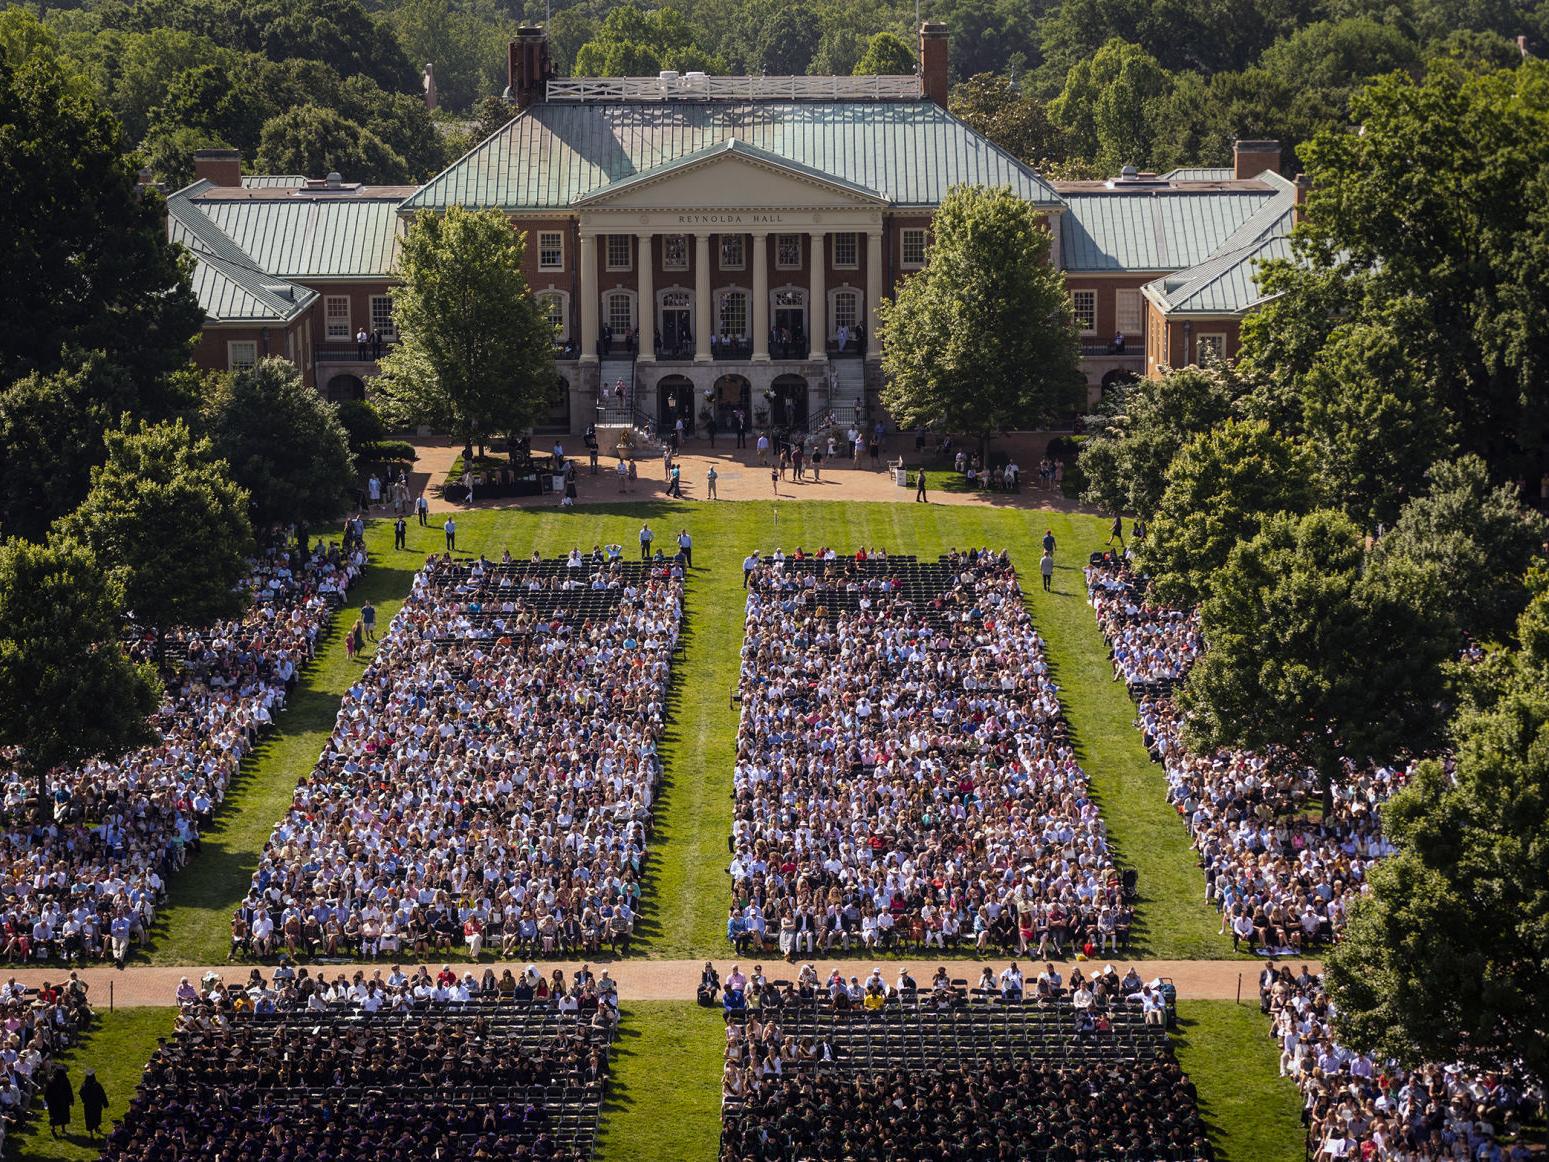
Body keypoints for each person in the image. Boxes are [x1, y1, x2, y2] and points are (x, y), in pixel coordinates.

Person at [45, 1063, 73, 1137]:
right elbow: (69, 1090)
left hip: (53, 1102)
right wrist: (71, 1100)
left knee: (53, 1115)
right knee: (63, 1115)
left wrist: (46, 1100)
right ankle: (63, 1129)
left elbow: (47, 1091)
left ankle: (53, 1129)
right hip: (63, 1101)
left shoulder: (50, 1080)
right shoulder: (65, 1080)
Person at [80, 1067, 107, 1139]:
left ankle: (91, 1133)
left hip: (88, 1106)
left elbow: (81, 1094)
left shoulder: (84, 1085)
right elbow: (102, 1094)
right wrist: (105, 1103)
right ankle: (96, 1127)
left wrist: (84, 1101)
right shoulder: (97, 1085)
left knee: (89, 1119)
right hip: (96, 1106)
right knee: (97, 1117)